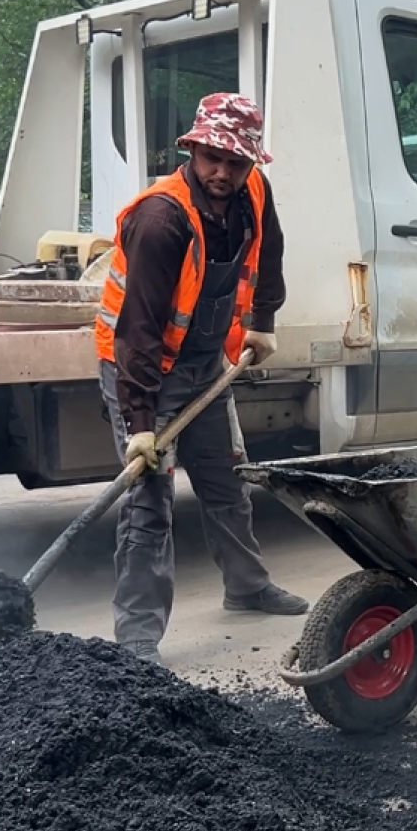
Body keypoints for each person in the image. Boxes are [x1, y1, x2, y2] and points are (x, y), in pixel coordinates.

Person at [94, 92, 309, 663]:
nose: (221, 172)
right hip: (142, 370)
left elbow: (272, 251)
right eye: (212, 157)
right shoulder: (161, 219)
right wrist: (140, 422)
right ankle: (137, 637)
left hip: (205, 363)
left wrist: (261, 321)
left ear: (250, 164)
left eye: (235, 162)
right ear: (193, 148)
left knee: (225, 480)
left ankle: (247, 586)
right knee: (148, 500)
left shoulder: (252, 191)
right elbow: (136, 331)